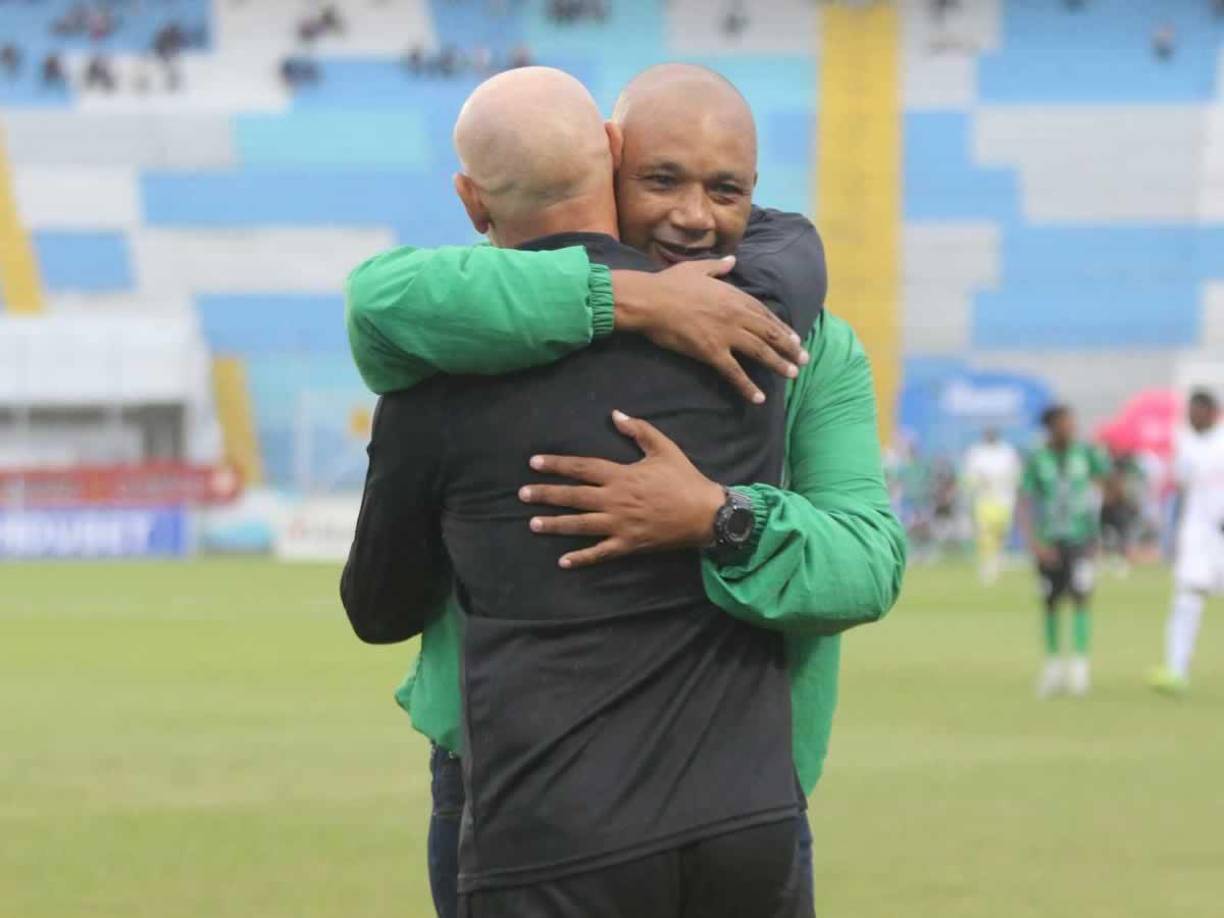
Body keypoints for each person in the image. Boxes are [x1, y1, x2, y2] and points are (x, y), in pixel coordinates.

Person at [344, 63, 905, 917]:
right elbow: (378, 298)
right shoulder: (488, 313)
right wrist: (626, 299)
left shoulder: (805, 343)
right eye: (661, 178)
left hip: (736, 788)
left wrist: (720, 517)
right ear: (607, 162)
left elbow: (867, 563)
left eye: (727, 190)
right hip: (508, 780)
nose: (693, 214)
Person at [1019, 404, 1109, 698]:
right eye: (1065, 423)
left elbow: (1106, 483)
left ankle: (1080, 668)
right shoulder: (1037, 459)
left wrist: (1098, 530)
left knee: (1081, 598)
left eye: (1072, 422)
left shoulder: (1086, 454)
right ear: (1051, 427)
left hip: (1080, 541)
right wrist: (1034, 542)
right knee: (1050, 602)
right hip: (1049, 542)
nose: (1071, 427)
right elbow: (1025, 500)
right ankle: (1053, 666)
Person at [1148, 390, 1224, 694]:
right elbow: (1179, 491)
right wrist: (1170, 534)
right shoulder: (1186, 446)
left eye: (1196, 411)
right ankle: (1176, 669)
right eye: (1189, 411)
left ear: (1211, 412)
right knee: (1186, 599)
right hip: (1196, 534)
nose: (1191, 416)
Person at [963, 428, 1021, 585]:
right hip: (985, 500)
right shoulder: (977, 453)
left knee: (1001, 533)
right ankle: (988, 565)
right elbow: (970, 476)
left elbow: (1015, 474)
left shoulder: (1007, 452)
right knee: (985, 535)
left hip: (1004, 500)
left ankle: (998, 561)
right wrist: (979, 482)